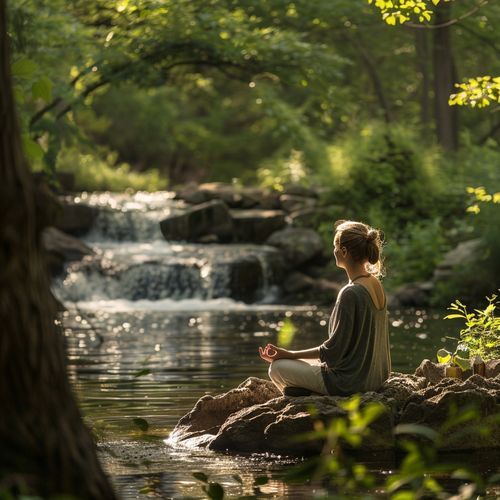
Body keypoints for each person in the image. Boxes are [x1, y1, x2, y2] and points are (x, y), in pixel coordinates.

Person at [259, 220, 391, 397]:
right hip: (375, 378)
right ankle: (305, 390)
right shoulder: (375, 283)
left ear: (343, 251)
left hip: (350, 383)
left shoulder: (350, 293)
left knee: (277, 367)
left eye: (335, 246)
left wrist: (288, 354)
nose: (334, 251)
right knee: (301, 367)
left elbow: (333, 353)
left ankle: (311, 392)